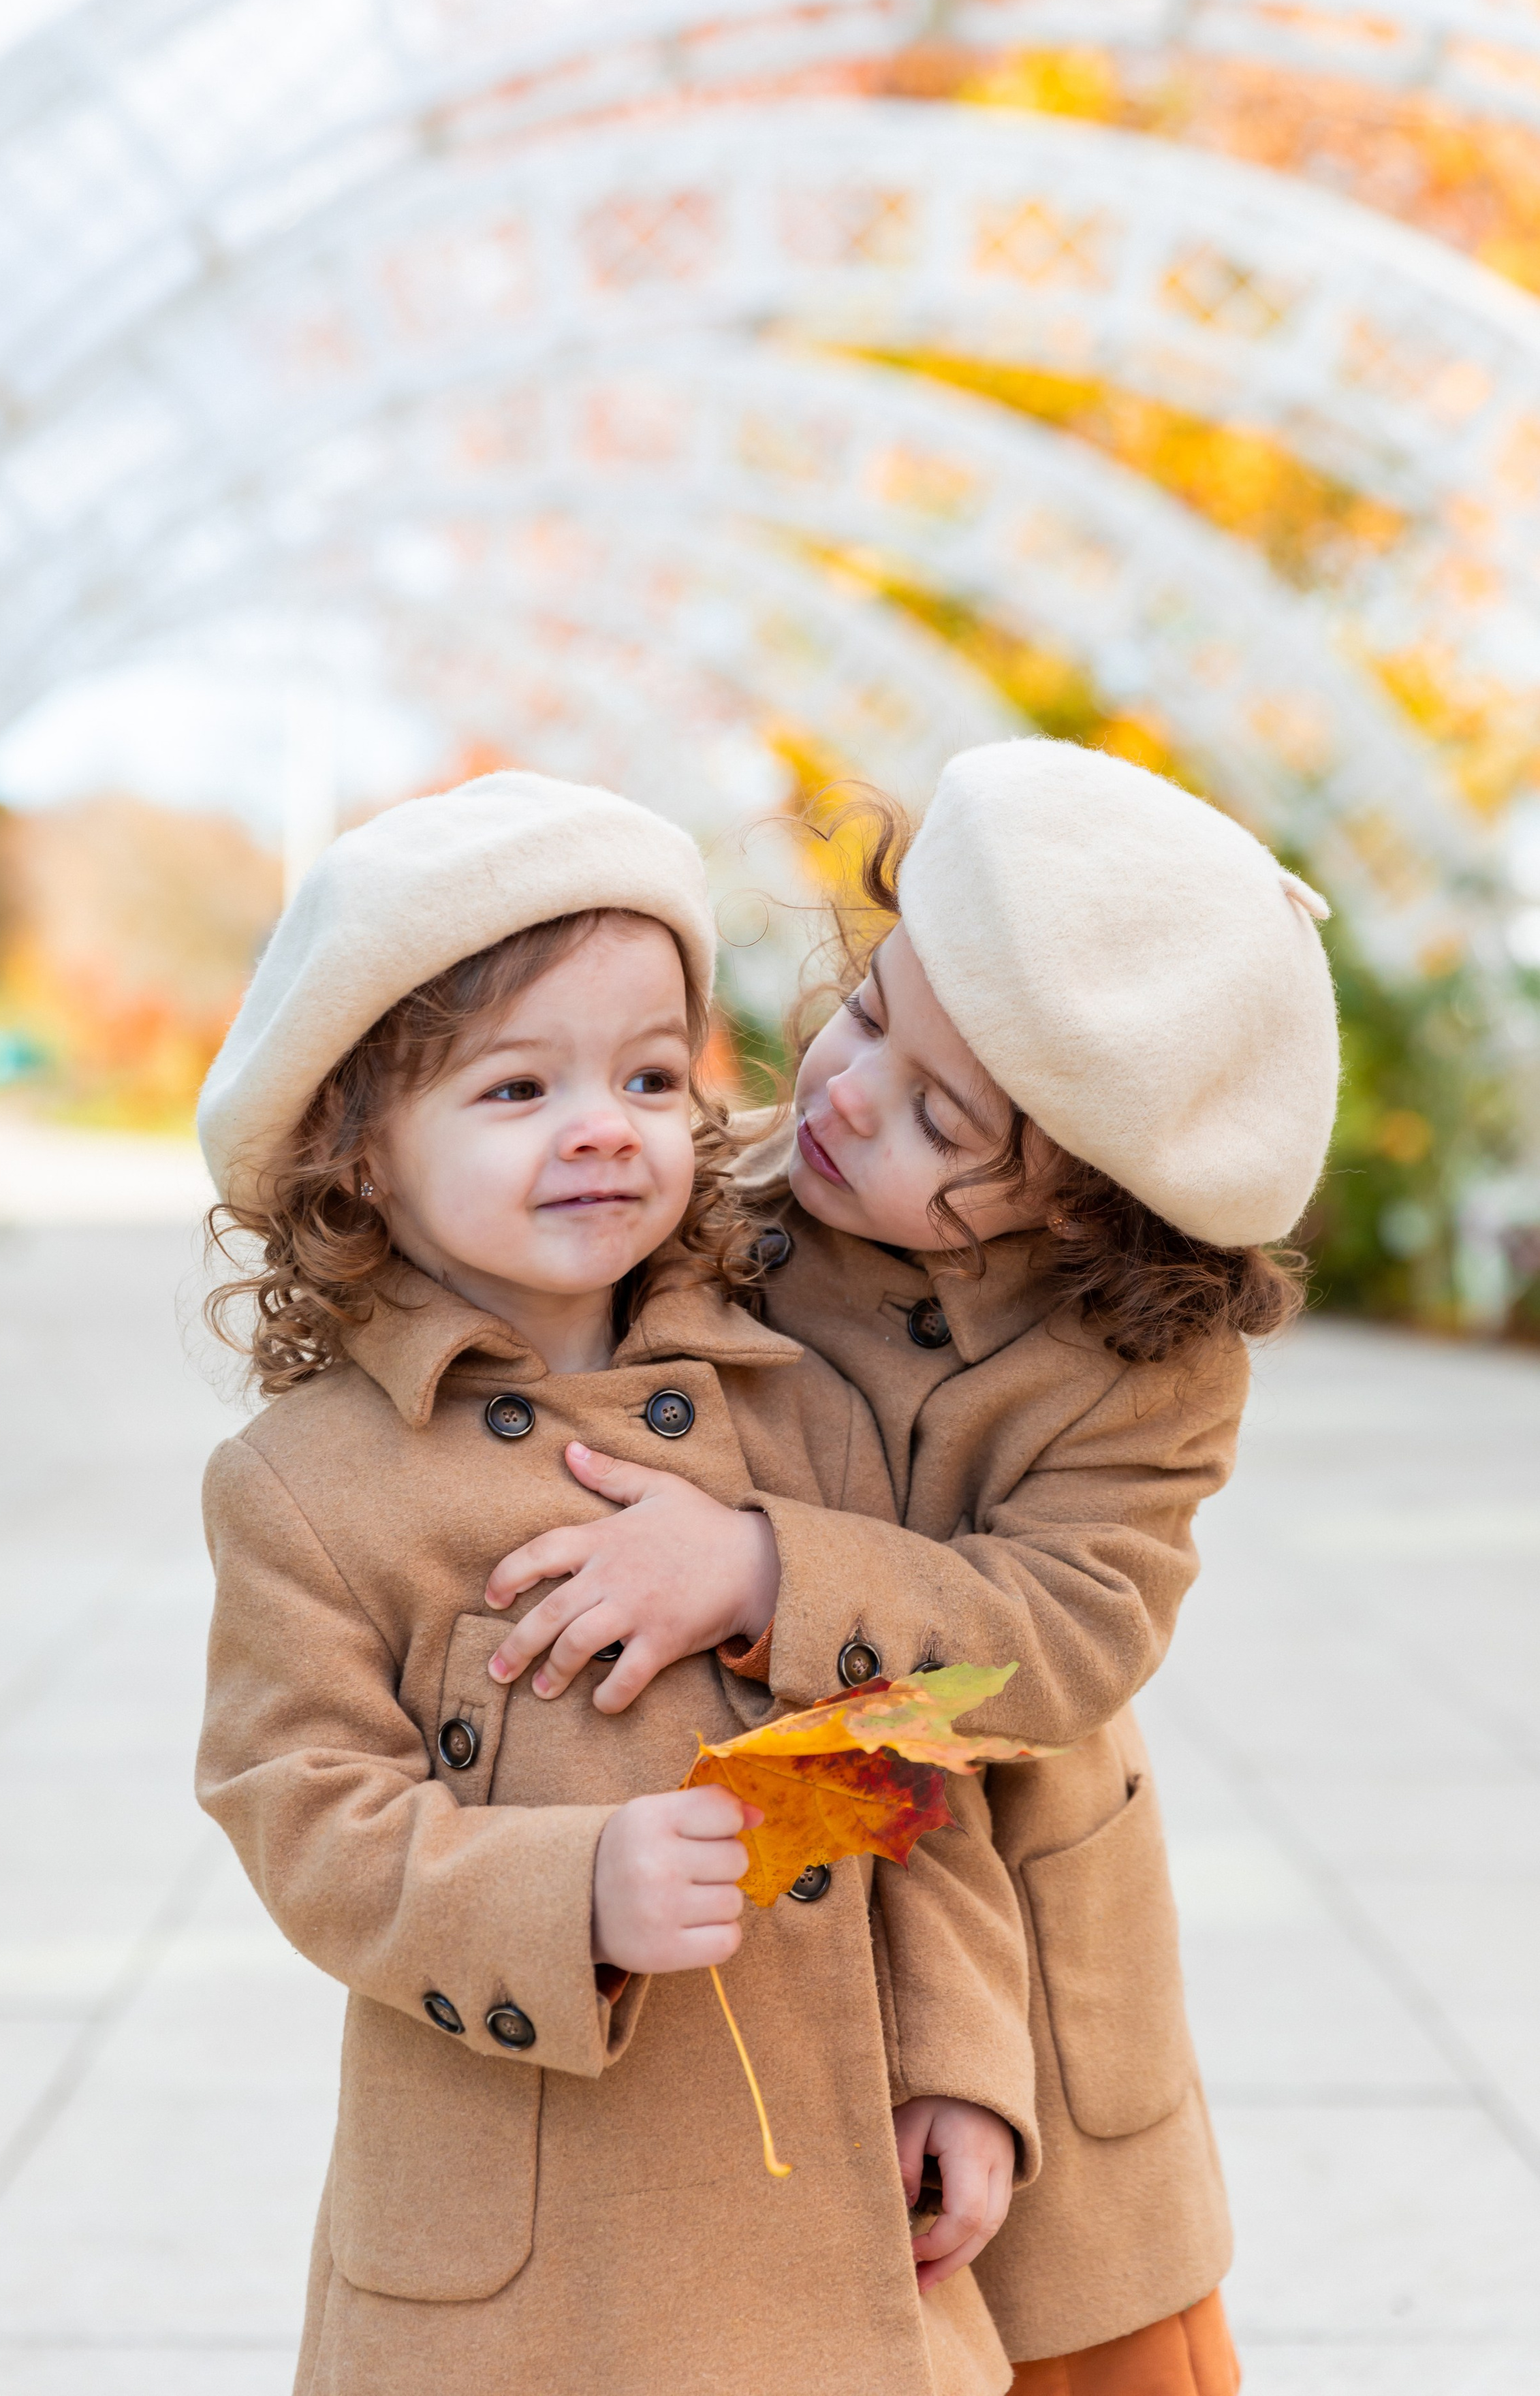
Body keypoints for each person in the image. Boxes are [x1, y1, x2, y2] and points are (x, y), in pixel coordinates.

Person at [482, 740, 1340, 2396]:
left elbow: (1058, 1640)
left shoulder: (1132, 1366)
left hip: (1005, 1878)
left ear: (1096, 1213)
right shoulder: (727, 1202)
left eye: (937, 1115)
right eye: (866, 1010)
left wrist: (754, 1570)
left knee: (1077, 2323)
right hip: (761, 1894)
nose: (843, 1092)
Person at [191, 770, 1043, 2396]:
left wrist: (958, 2062)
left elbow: (904, 1767)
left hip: (825, 2196)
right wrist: (570, 1892)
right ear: (356, 1157)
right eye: (515, 1090)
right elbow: (296, 1807)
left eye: (651, 1075)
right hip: (529, 2237)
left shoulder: (799, 1412)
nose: (603, 1125)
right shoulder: (306, 1486)